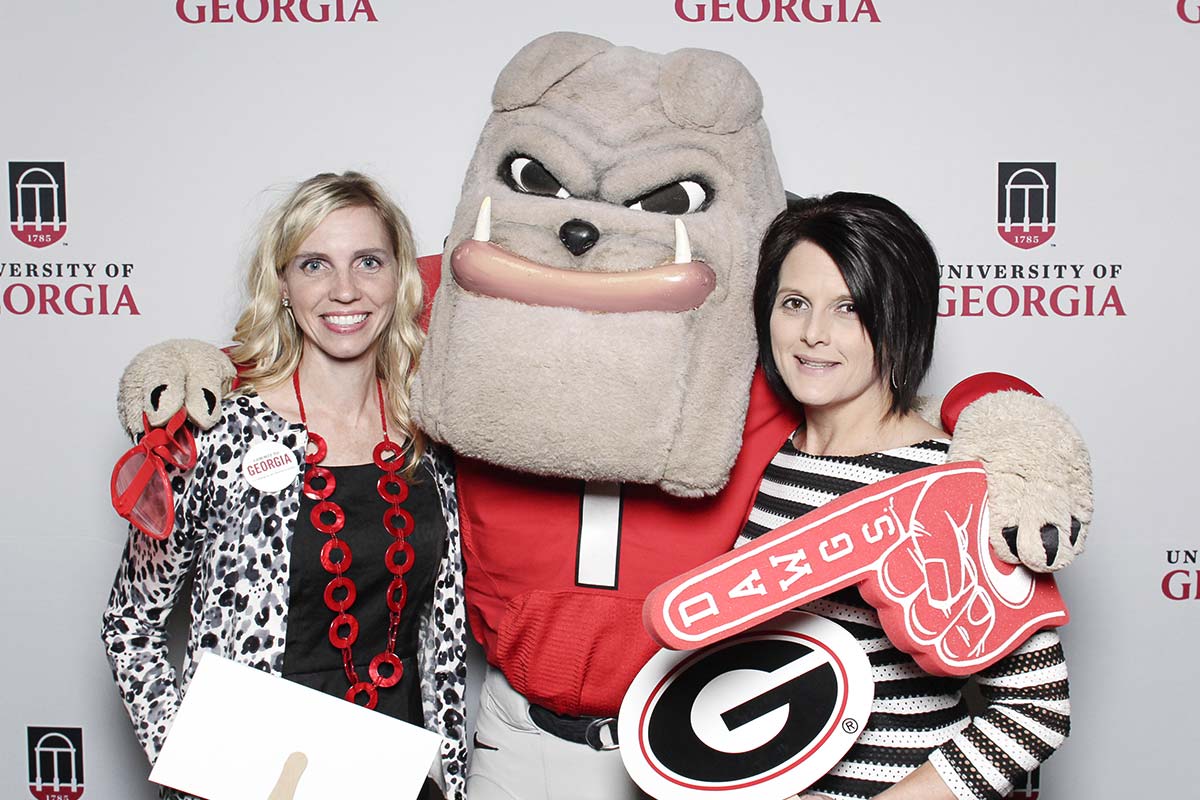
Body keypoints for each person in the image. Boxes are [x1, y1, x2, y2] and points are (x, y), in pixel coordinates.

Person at [101, 172, 467, 800]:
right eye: (315, 264)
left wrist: (444, 769)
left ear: (400, 278)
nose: (345, 289)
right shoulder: (217, 434)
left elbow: (442, 633)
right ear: (283, 285)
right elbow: (130, 622)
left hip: (393, 775)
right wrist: (196, 761)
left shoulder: (427, 433)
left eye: (368, 262)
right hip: (255, 780)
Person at [744, 193, 1070, 800]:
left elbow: (1035, 709)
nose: (813, 334)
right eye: (795, 304)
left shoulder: (949, 486)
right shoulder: (771, 458)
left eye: (848, 308)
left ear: (899, 318)